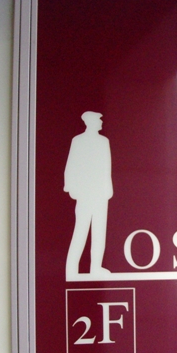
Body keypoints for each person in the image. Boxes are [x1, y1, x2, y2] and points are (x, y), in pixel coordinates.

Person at [64, 111, 113, 278]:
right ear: (90, 122)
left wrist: (108, 189)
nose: (101, 123)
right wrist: (71, 187)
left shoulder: (104, 141)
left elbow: (106, 167)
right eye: (99, 120)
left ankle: (96, 268)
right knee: (81, 230)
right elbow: (71, 164)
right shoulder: (78, 141)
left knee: (99, 232)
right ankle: (71, 269)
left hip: (100, 193)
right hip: (85, 193)